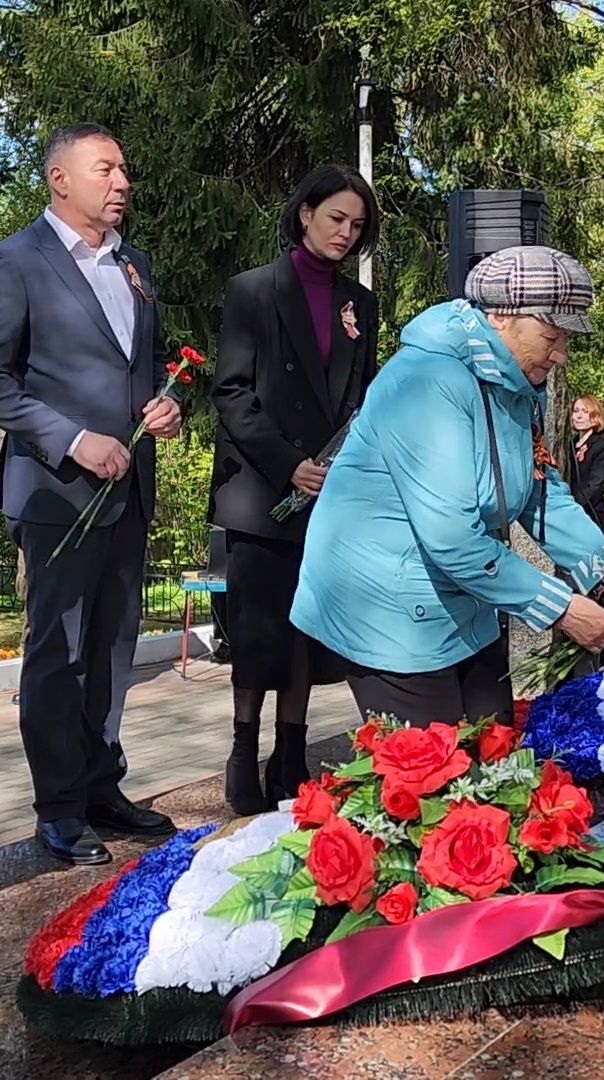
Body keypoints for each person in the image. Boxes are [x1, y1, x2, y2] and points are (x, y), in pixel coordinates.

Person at [292, 246, 604, 724]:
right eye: (552, 335)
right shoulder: (426, 380)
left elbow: (539, 492)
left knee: (499, 756)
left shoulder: (518, 387)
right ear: (502, 316)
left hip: (464, 600)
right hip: (390, 610)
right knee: (435, 784)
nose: (562, 356)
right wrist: (561, 607)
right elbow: (452, 537)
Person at [0, 123, 181, 867]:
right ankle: (57, 809)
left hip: (129, 489)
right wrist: (71, 437)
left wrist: (164, 404)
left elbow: (137, 367)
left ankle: (99, 786)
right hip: (57, 493)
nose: (123, 182)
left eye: (125, 169)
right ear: (59, 178)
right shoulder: (12, 263)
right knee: (60, 654)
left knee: (114, 648)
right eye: (106, 168)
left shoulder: (135, 265)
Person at [210, 165, 381, 814]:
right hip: (262, 491)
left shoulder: (358, 305)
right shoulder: (251, 292)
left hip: (329, 495)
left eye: (357, 225)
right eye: (336, 217)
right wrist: (288, 464)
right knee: (259, 632)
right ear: (305, 212)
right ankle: (242, 749)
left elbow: (361, 399)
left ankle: (291, 751)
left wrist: (342, 466)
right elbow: (231, 391)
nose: (345, 232)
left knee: (306, 632)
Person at [563, 394, 604, 527]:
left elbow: (595, 486)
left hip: (590, 516)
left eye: (585, 412)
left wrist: (572, 508)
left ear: (595, 416)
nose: (579, 416)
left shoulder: (603, 447)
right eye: (576, 411)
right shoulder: (567, 445)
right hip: (566, 514)